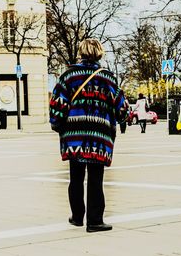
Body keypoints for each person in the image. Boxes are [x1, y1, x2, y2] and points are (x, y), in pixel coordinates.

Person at [49, 38, 128, 233]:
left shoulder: (68, 76)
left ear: (81, 52)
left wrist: (58, 125)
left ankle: (77, 217)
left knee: (75, 177)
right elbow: (123, 109)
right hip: (99, 137)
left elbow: (57, 106)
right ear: (99, 54)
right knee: (95, 178)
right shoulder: (107, 78)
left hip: (74, 135)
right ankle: (94, 221)